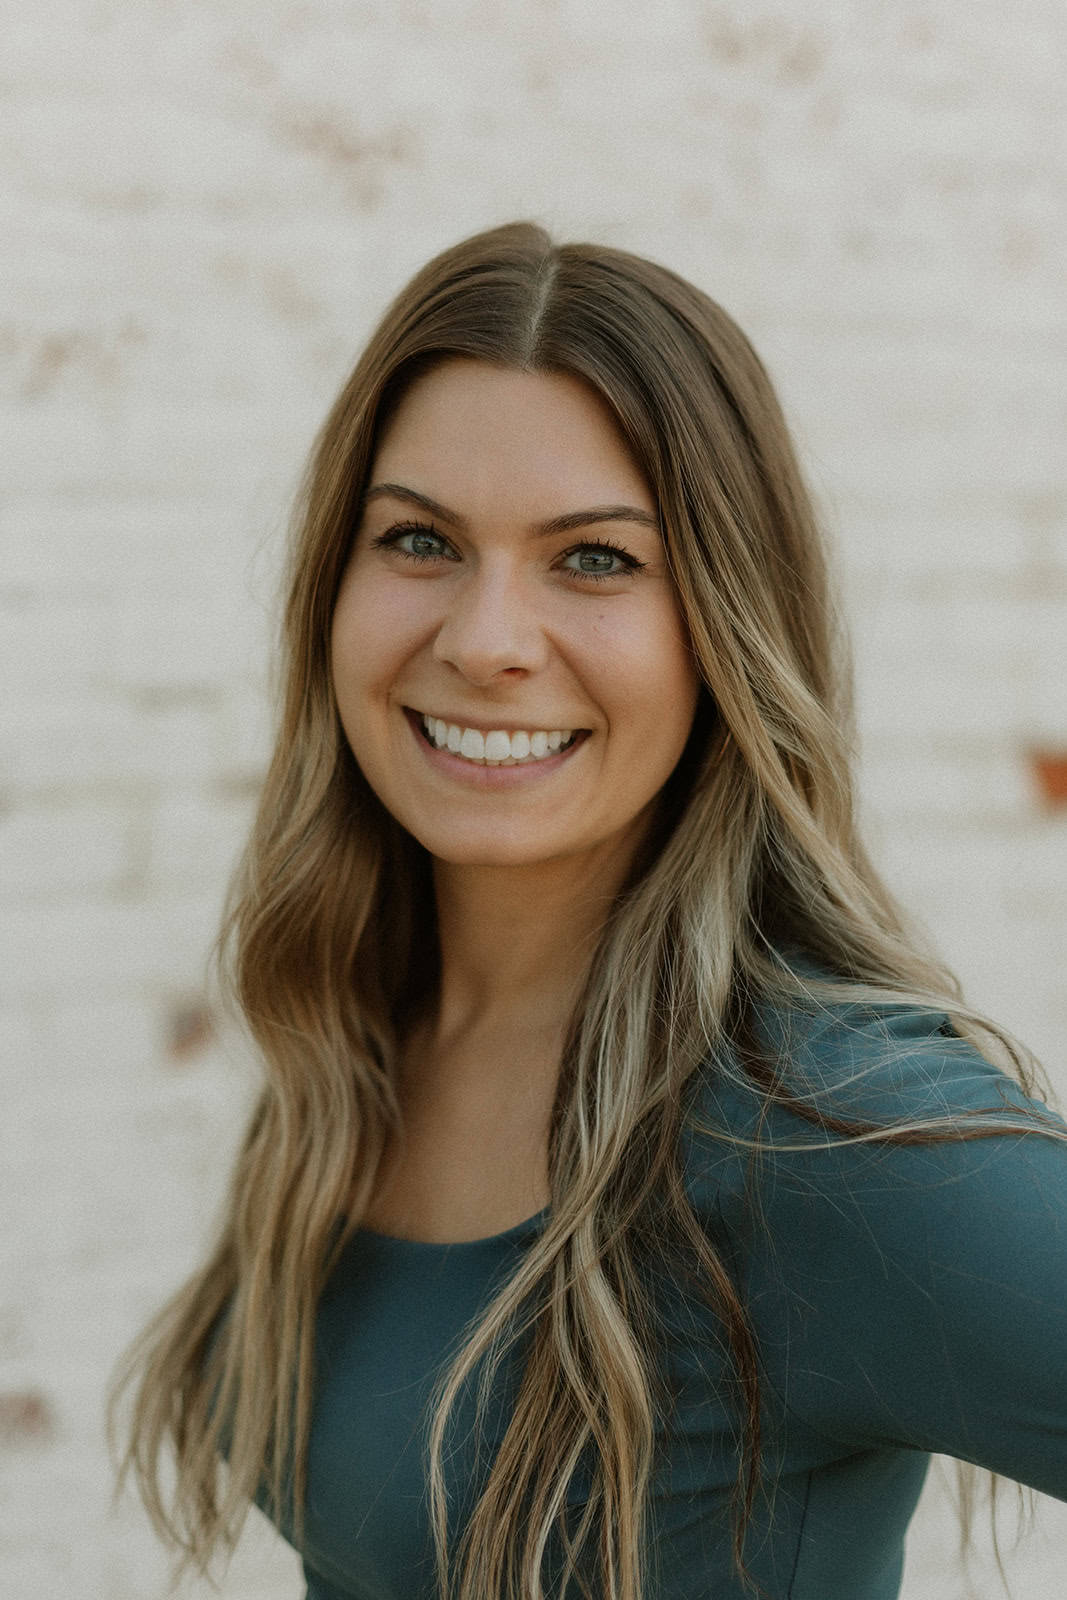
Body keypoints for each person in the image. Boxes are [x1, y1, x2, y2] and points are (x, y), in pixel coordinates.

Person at [109, 221, 1067, 1600]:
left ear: (726, 626)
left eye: (597, 560)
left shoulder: (822, 1128)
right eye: (420, 539)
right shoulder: (356, 1031)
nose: (487, 638)